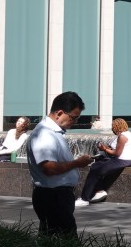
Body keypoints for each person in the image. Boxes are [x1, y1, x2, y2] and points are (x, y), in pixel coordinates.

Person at [26, 91, 94, 237]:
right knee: (66, 240)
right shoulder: (44, 134)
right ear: (60, 113)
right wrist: (77, 163)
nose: (74, 122)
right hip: (52, 197)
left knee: (52, 240)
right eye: (73, 118)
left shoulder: (54, 132)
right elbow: (48, 168)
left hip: (57, 196)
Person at [77, 118, 131, 206]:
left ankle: (84, 198)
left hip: (123, 160)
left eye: (113, 127)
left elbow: (117, 153)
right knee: (97, 164)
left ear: (117, 127)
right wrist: (107, 149)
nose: (112, 129)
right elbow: (117, 150)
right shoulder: (127, 134)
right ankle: (100, 190)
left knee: (95, 169)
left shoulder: (122, 137)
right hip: (128, 159)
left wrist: (104, 149)